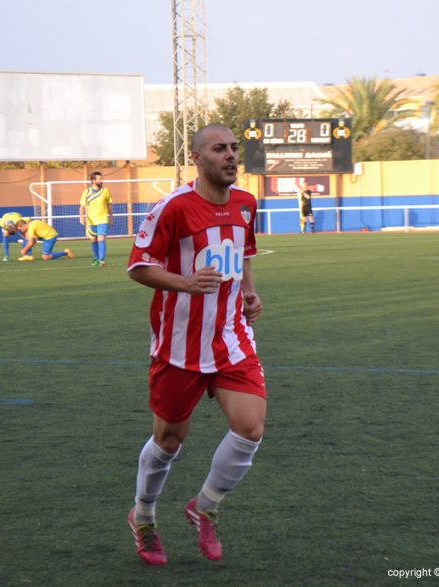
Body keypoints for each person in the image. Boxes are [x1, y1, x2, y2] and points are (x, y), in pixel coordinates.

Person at [126, 124, 267, 566]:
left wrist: (249, 291)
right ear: (198, 157)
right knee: (169, 440)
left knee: (250, 428)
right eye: (219, 149)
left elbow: (242, 253)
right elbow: (137, 267)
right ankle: (144, 515)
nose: (230, 156)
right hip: (179, 346)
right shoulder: (173, 208)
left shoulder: (246, 203)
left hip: (231, 337)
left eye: (234, 149)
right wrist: (185, 282)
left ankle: (204, 506)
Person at [79, 171, 113, 267]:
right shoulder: (86, 192)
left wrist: (111, 217)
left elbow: (109, 205)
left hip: (103, 220)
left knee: (101, 238)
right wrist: (81, 218)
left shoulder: (105, 191)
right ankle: (96, 258)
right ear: (93, 180)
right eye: (99, 179)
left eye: (102, 178)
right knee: (94, 240)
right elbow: (82, 206)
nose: (102, 180)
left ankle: (101, 260)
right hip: (91, 221)